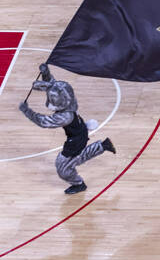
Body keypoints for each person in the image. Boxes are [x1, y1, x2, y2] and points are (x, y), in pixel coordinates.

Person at [19, 64, 115, 194]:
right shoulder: (66, 97)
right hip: (78, 130)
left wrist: (27, 111)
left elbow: (43, 122)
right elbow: (53, 85)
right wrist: (45, 73)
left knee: (63, 166)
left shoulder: (64, 117)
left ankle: (79, 184)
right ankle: (102, 146)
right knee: (75, 158)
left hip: (76, 138)